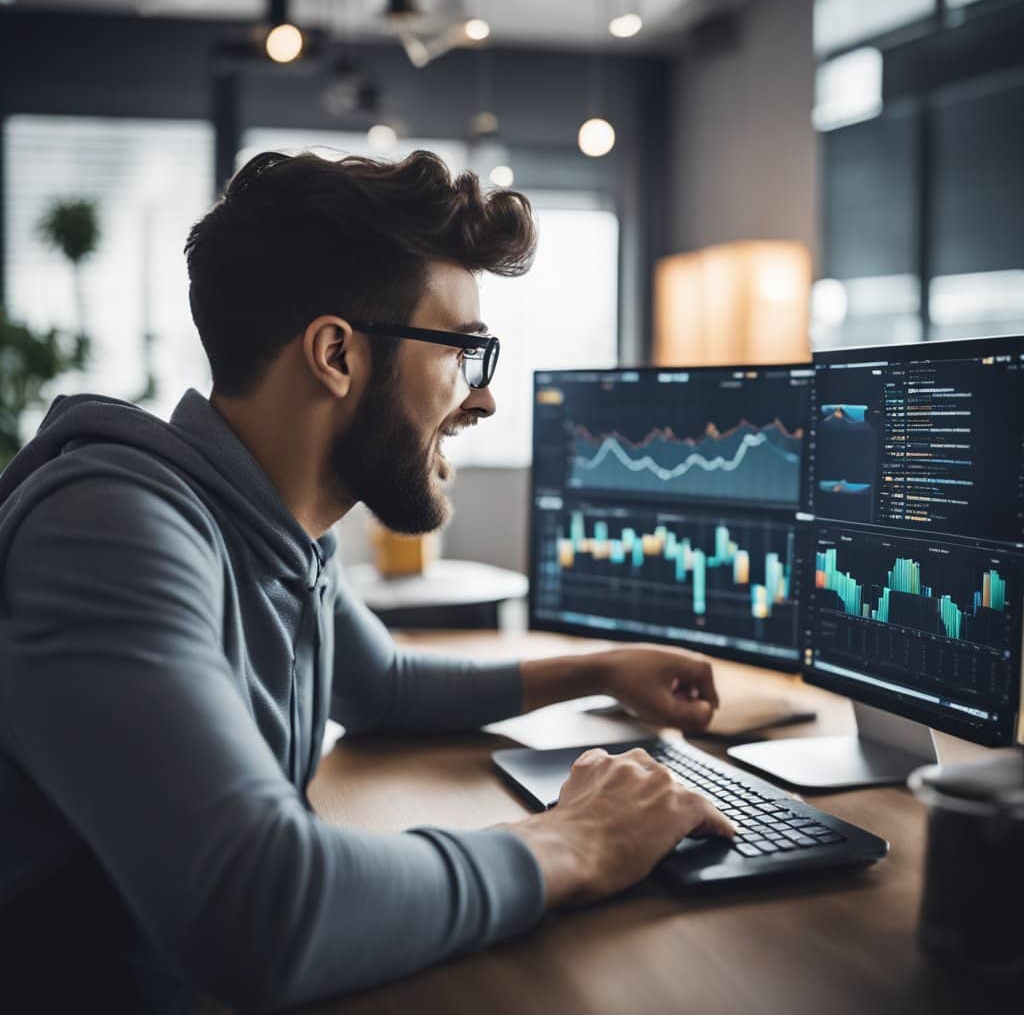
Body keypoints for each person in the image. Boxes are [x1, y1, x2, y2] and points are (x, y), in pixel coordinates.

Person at [0, 150, 732, 1012]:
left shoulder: (274, 525)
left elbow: (381, 684)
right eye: (464, 351)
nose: (483, 399)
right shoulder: (113, 529)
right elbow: (265, 907)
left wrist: (602, 667)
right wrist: (576, 840)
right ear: (336, 354)